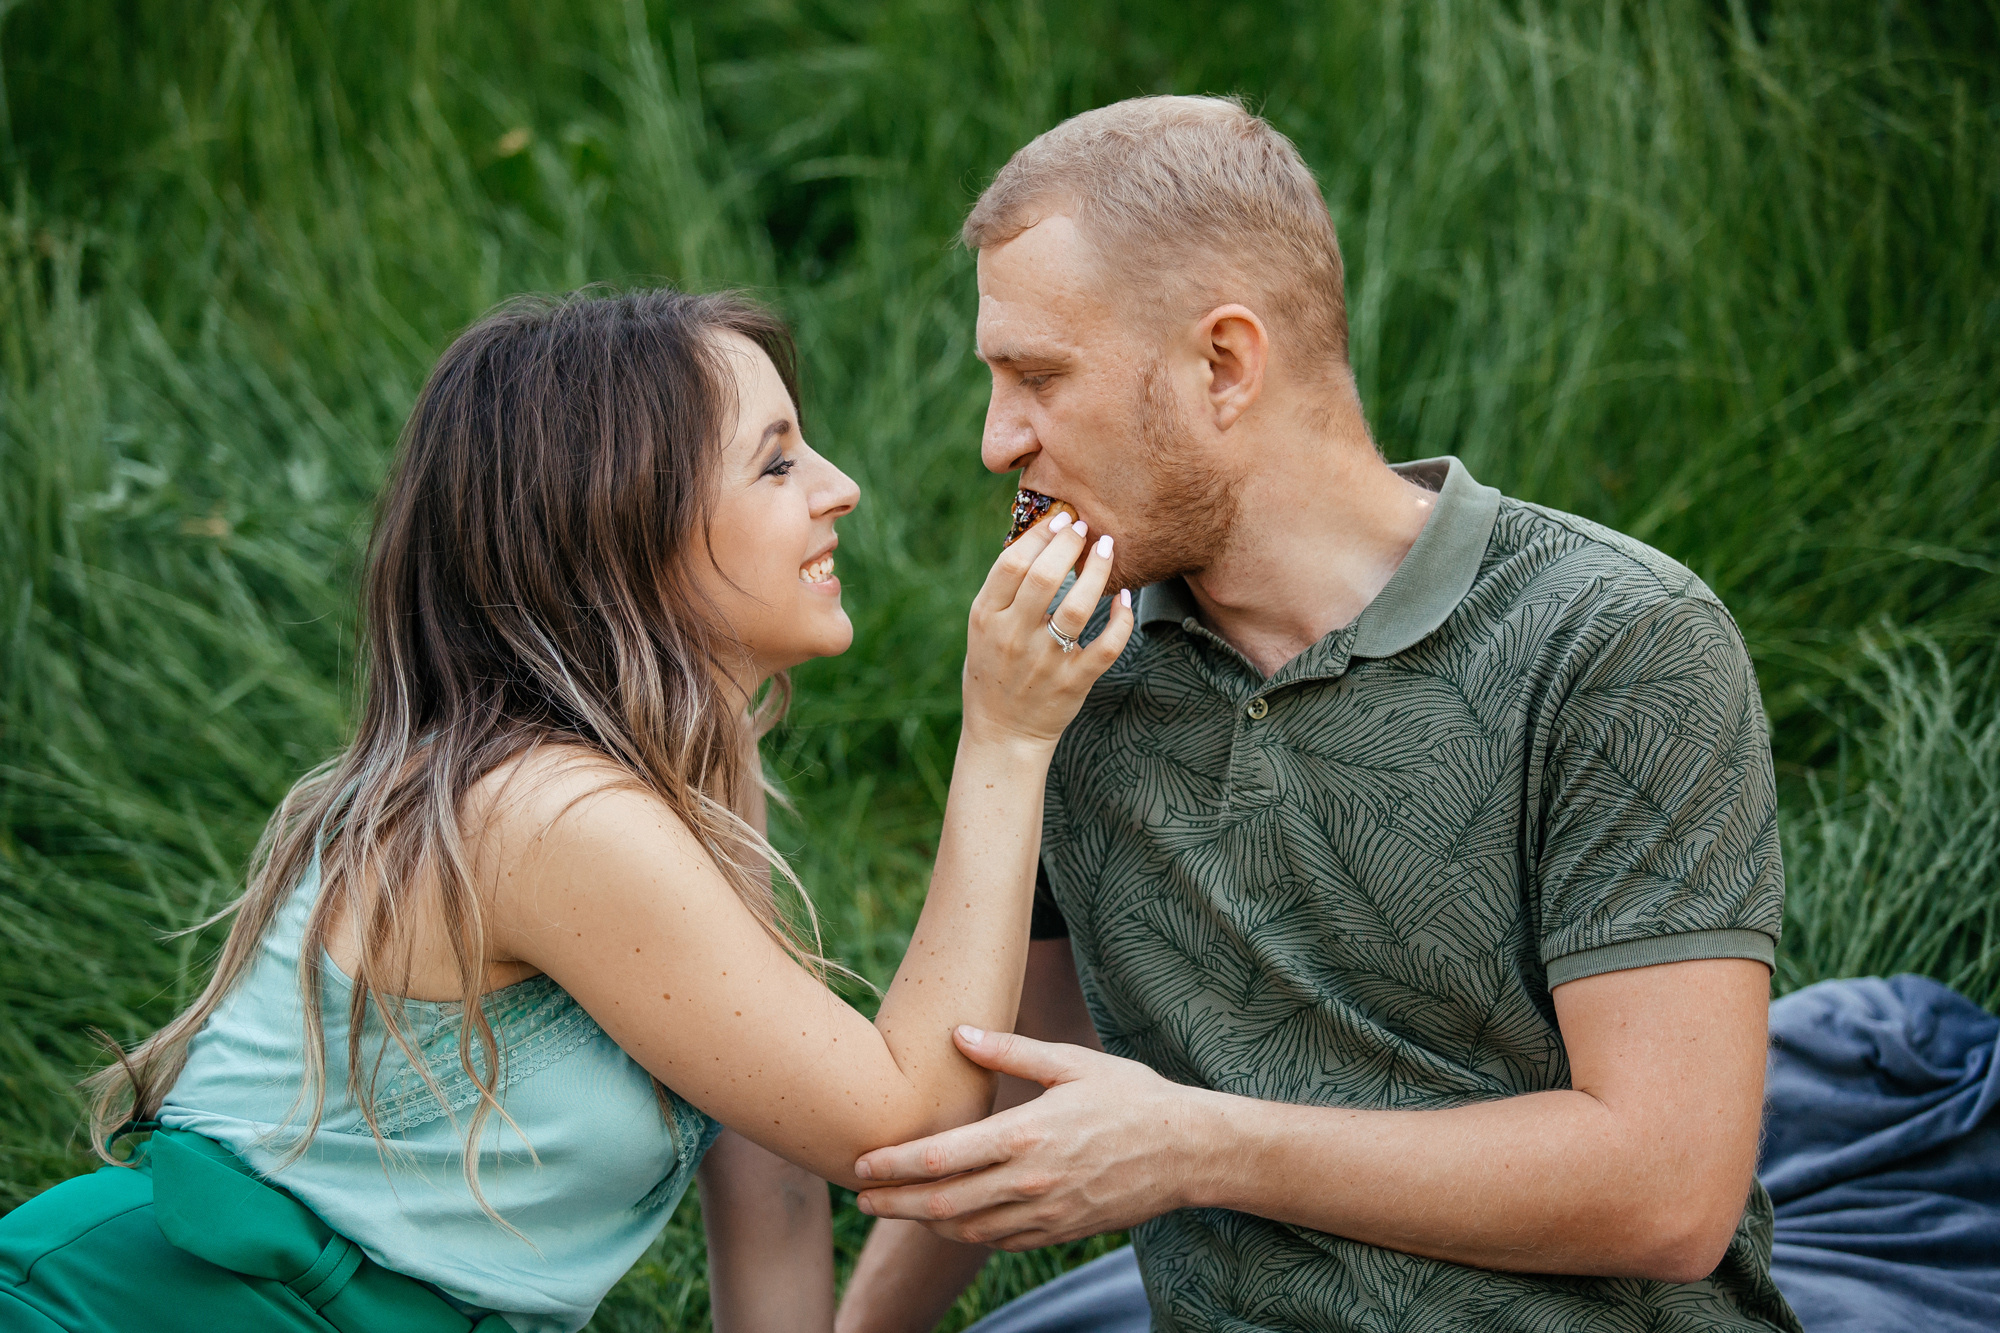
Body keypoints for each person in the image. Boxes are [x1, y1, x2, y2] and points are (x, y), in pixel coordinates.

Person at [835, 96, 1803, 1333]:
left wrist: (1194, 1146)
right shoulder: (1065, 669)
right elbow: (1012, 1078)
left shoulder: (1611, 638)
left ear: (1223, 365)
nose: (995, 441)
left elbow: (1665, 1192)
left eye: (1037, 377)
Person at [0, 288, 1135, 1333]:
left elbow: (774, 1163)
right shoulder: (548, 813)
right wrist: (1004, 737)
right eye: (775, 463)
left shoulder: (681, 776)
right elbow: (906, 1127)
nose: (839, 487)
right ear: (625, 525)